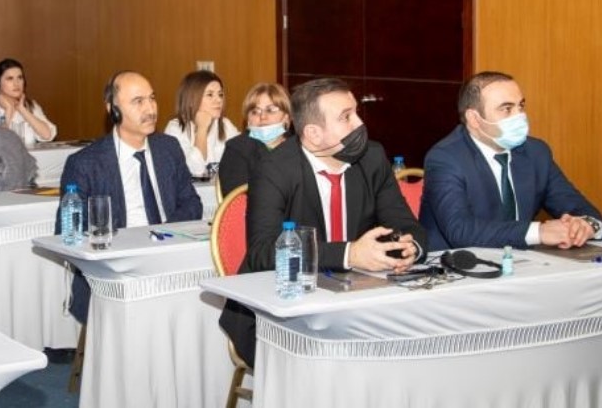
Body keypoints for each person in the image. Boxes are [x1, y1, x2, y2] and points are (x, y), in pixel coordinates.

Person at [220, 77, 426, 367]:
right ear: (313, 134)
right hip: (280, 311)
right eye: (346, 117)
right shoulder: (274, 168)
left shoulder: (372, 157)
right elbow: (263, 251)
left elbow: (407, 225)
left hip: (356, 301)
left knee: (410, 346)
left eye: (356, 112)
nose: (359, 124)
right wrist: (349, 254)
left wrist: (408, 248)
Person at [59, 70, 203, 322]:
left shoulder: (168, 148)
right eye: (138, 101)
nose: (150, 108)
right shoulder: (85, 163)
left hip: (167, 254)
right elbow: (68, 230)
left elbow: (192, 203)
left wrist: (162, 235)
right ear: (113, 110)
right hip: (116, 268)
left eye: (152, 98)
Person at [419, 71, 602, 251]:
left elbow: (580, 208)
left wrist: (585, 225)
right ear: (474, 119)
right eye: (507, 109)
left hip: (522, 262)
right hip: (459, 264)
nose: (519, 116)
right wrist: (538, 232)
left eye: (521, 106)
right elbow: (461, 230)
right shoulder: (446, 158)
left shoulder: (536, 152)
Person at [218, 82, 292, 197]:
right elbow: (237, 199)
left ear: (286, 117)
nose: (262, 117)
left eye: (270, 110)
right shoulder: (237, 149)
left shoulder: (300, 148)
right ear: (248, 120)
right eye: (255, 112)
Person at [164, 70, 240, 176]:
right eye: (210, 95)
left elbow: (244, 158)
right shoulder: (175, 128)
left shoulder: (225, 124)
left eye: (220, 94)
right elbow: (195, 170)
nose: (218, 100)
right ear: (191, 99)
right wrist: (202, 129)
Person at [0, 58, 57, 145]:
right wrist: (8, 109)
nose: (16, 83)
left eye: (20, 78)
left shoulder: (30, 105)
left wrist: (22, 110)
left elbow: (47, 135)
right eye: (10, 78)